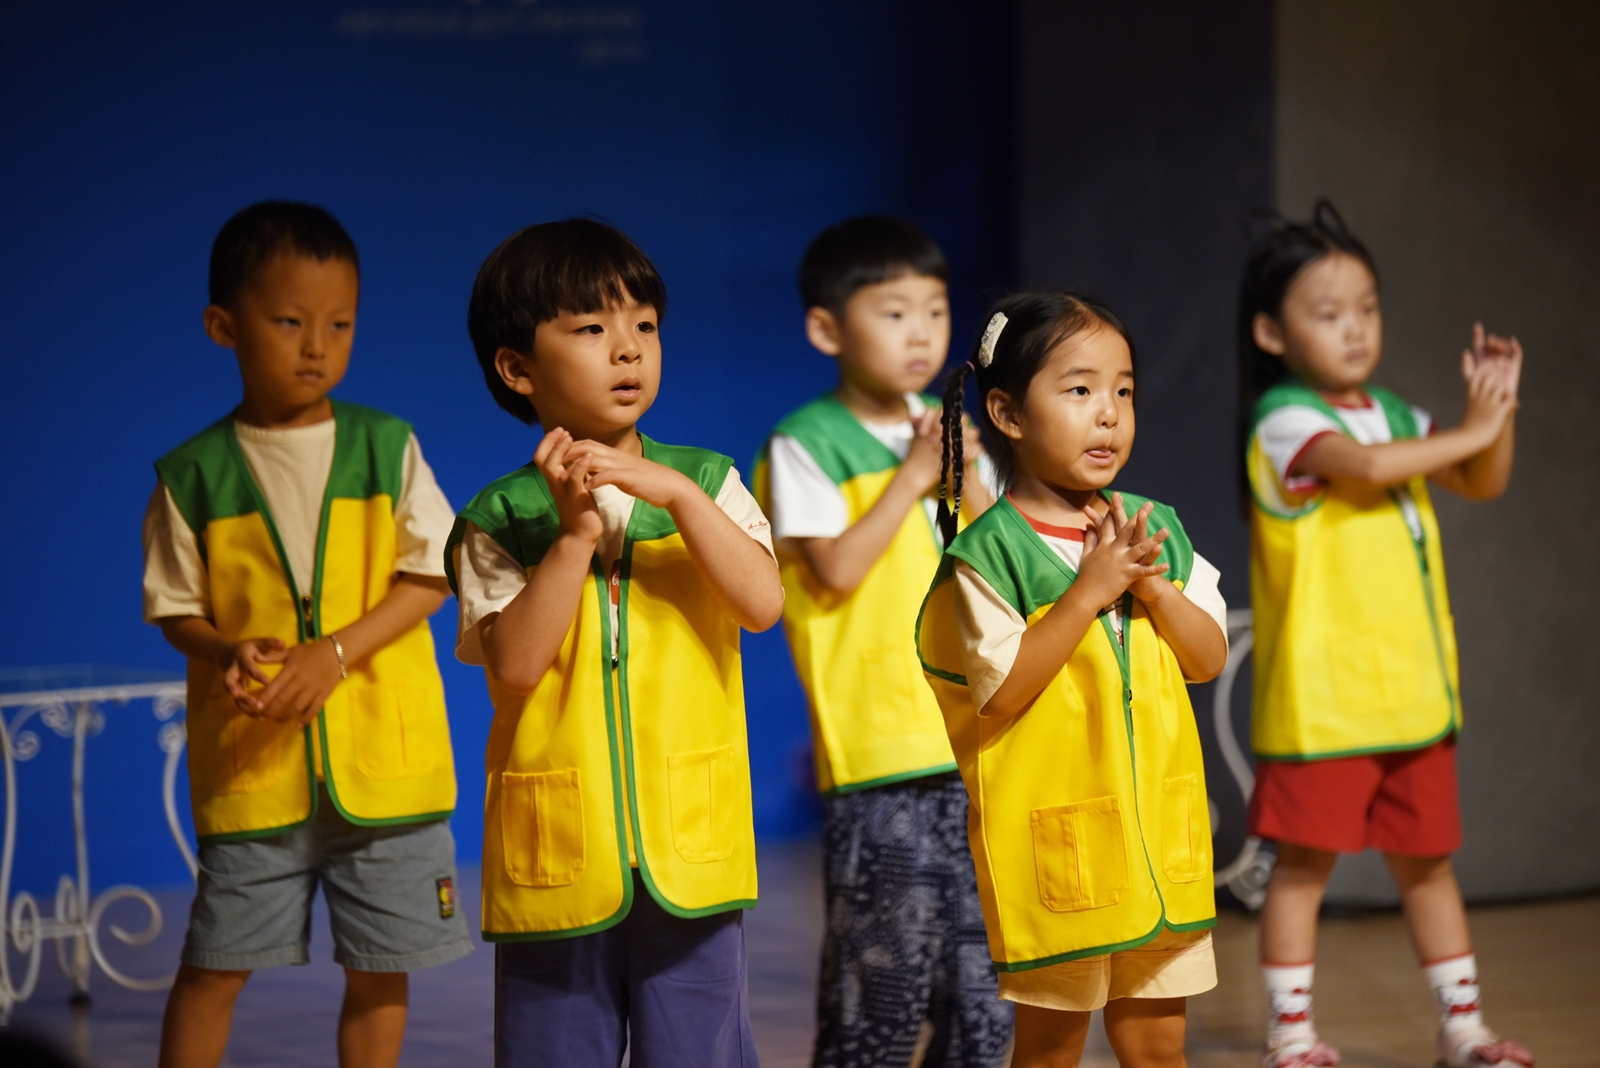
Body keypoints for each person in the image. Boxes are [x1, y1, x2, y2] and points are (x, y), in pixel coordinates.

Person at [447, 218, 785, 1068]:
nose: (628, 349)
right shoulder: (499, 516)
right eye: (592, 328)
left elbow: (761, 605)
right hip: (558, 852)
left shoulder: (707, 481)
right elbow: (514, 667)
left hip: (691, 845)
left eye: (645, 325)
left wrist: (680, 497)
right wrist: (572, 539)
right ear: (517, 368)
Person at [143, 202, 469, 1068]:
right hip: (255, 777)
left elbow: (434, 573)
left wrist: (336, 653)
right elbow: (175, 607)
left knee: (381, 972)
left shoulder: (386, 446)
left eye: (340, 323)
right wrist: (223, 649)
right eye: (289, 322)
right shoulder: (192, 474)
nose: (317, 346)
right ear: (224, 326)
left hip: (388, 779)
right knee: (213, 968)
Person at [1239, 201, 1531, 1068]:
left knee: (1428, 865)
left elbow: (1481, 478)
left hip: (1412, 697)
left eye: (1367, 307)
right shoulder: (1283, 419)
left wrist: (1496, 412)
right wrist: (1470, 432)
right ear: (1270, 332)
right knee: (1303, 867)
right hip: (1325, 705)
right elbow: (1365, 469)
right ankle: (1291, 1036)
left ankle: (1463, 1029)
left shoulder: (1397, 413)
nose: (1356, 328)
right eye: (1329, 313)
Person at [917, 293, 1229, 1068]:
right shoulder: (989, 553)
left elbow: (1208, 658)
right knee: (1050, 1051)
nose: (1109, 414)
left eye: (1124, 390)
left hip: (1159, 850)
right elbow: (1002, 691)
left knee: (1158, 1048)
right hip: (1061, 857)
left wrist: (1155, 590)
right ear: (1008, 414)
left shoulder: (1157, 527)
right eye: (1080, 389)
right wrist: (1088, 591)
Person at [753, 216, 1010, 1068]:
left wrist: (965, 478)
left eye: (935, 311)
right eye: (894, 313)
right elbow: (834, 569)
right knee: (883, 988)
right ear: (827, 329)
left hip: (975, 736)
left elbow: (1004, 559)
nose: (921, 333)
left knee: (986, 995)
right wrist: (913, 477)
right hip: (880, 750)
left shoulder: (954, 432)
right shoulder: (806, 441)